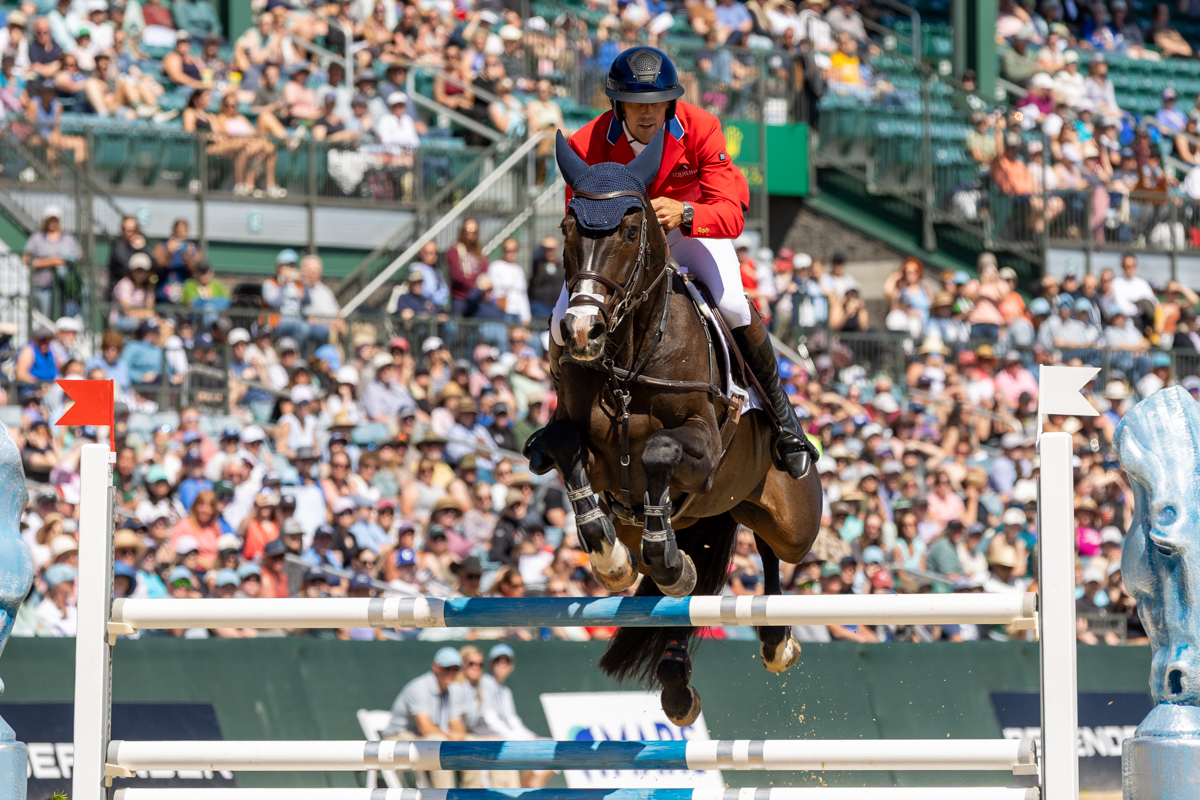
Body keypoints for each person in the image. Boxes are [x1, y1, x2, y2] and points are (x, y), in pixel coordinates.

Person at [543, 46, 815, 479]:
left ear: (670, 103)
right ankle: (561, 415)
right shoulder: (586, 144)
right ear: (618, 105)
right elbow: (578, 221)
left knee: (733, 305)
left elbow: (733, 211)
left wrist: (688, 214)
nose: (647, 114)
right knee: (562, 318)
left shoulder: (701, 127)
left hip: (687, 232)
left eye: (656, 104)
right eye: (636, 104)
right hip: (619, 247)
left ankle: (785, 421)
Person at [380, 647, 482, 789]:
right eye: (448, 668)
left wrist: (457, 736)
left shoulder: (452, 690)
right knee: (438, 743)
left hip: (423, 738)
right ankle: (443, 796)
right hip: (396, 738)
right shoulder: (419, 687)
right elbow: (425, 728)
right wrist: (450, 736)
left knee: (469, 743)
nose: (451, 673)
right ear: (436, 666)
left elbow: (456, 725)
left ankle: (473, 796)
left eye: (455, 669)